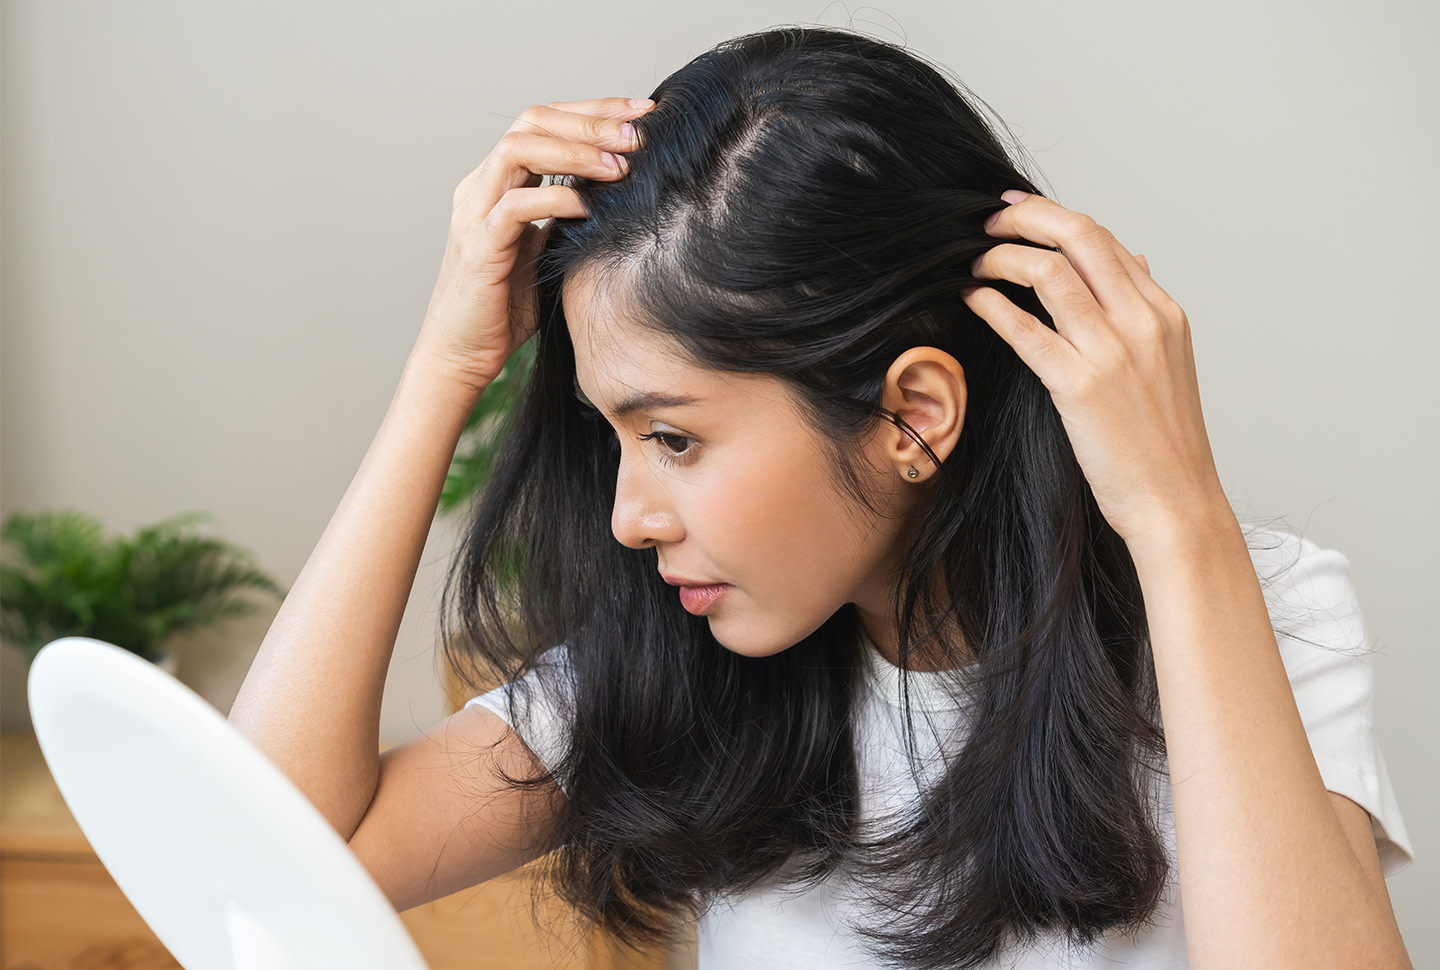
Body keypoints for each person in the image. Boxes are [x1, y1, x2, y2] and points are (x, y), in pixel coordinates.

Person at [227, 25, 1414, 970]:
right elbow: (260, 848)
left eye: (676, 438)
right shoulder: (678, 662)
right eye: (616, 438)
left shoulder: (1253, 607)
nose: (628, 516)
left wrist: (1178, 523)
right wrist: (444, 369)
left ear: (912, 415)